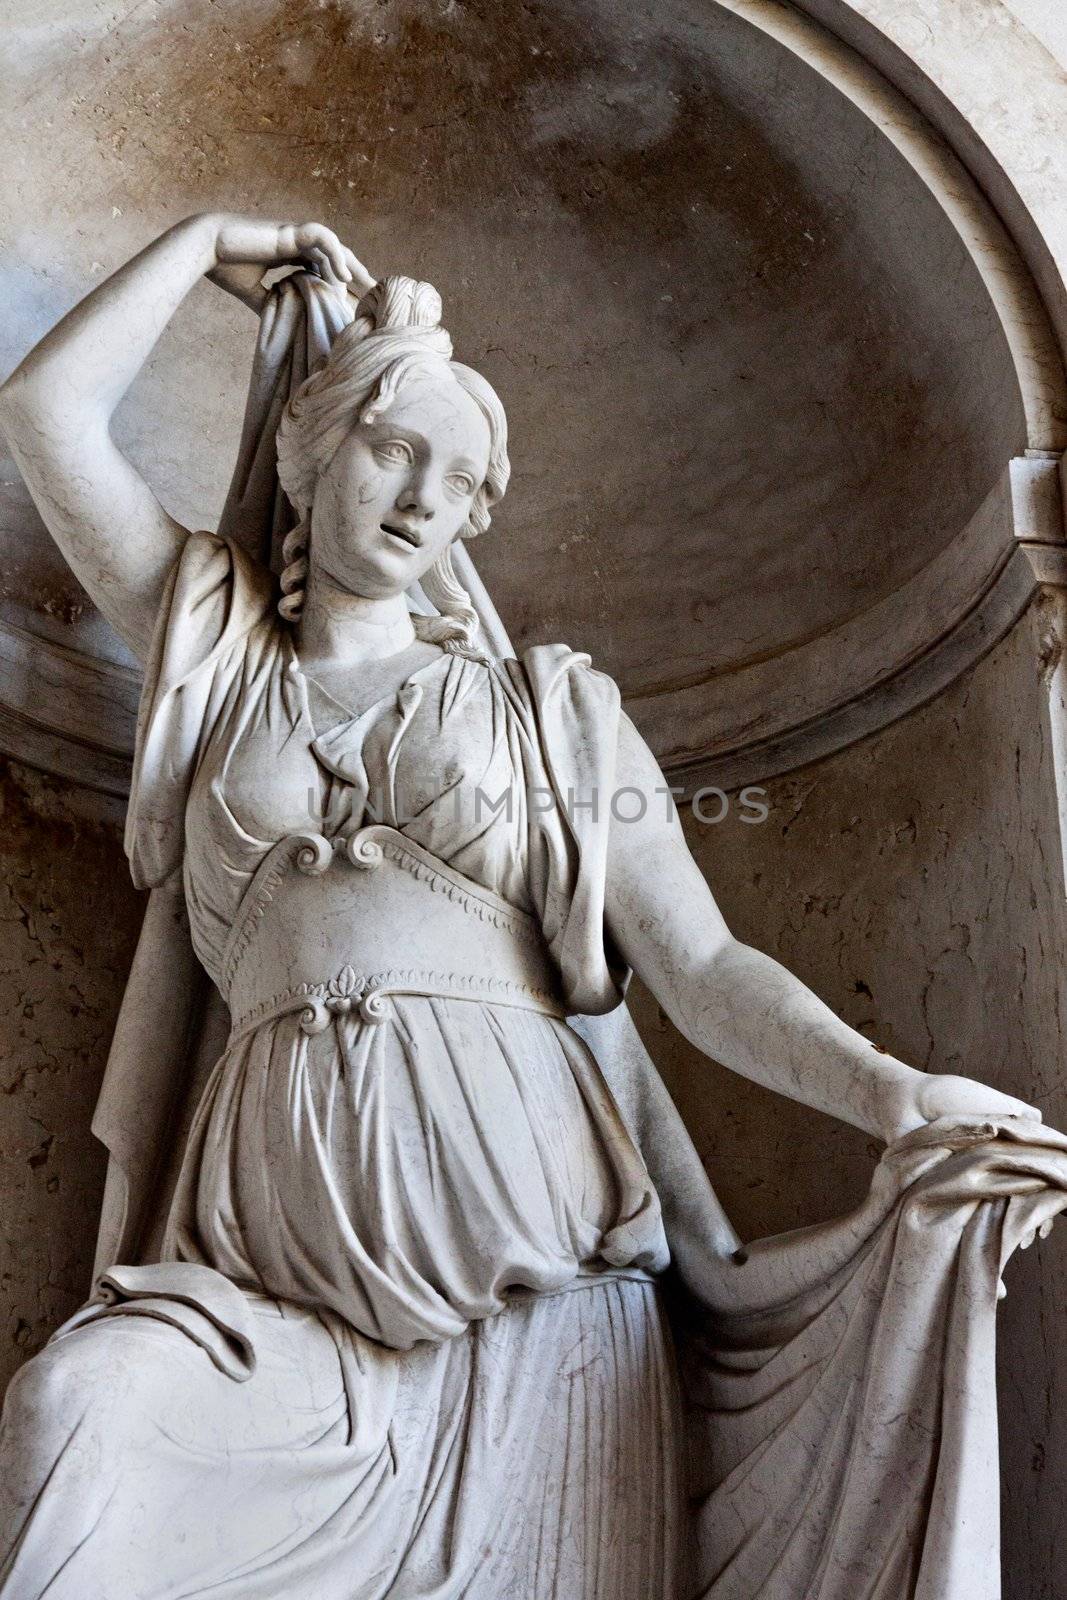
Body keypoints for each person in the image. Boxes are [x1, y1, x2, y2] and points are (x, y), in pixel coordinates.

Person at [0, 212, 1063, 1600]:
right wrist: (206, 240)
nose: (425, 496)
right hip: (268, 1300)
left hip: (546, 1308)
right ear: (310, 458)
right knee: (77, 1410)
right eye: (396, 450)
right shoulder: (221, 663)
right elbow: (43, 409)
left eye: (462, 477)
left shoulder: (552, 713)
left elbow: (702, 962)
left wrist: (887, 1091)